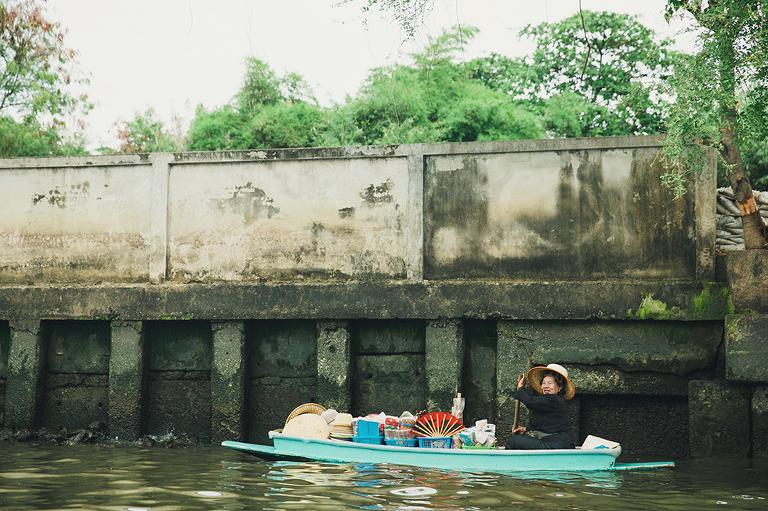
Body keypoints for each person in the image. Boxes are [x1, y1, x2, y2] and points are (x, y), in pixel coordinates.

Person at [505, 363, 575, 450]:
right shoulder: (549, 401)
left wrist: (521, 388)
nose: (546, 386)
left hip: (556, 444)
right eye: (543, 383)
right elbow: (546, 427)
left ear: (560, 387)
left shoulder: (554, 399)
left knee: (513, 441)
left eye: (550, 383)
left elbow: (530, 401)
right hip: (554, 442)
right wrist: (525, 430)